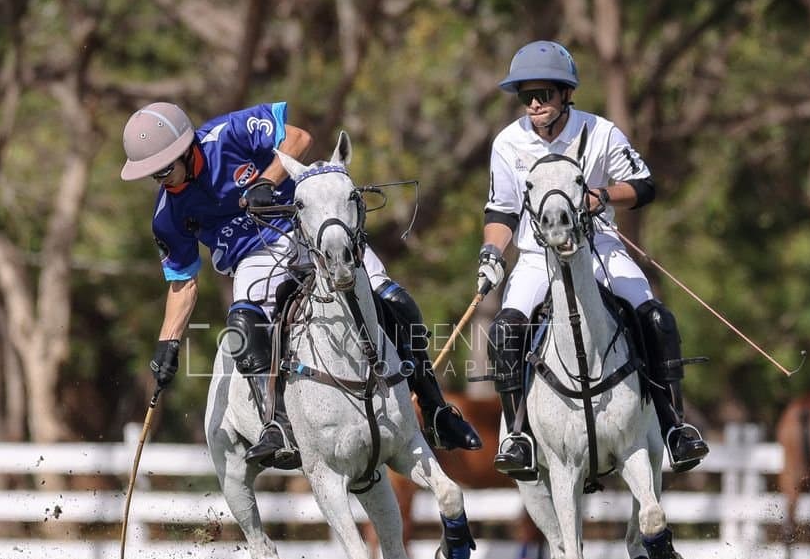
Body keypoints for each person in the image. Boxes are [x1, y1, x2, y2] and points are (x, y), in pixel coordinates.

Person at [121, 101, 480, 470]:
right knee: (242, 327)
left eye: (164, 170)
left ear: (185, 150)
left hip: (309, 228)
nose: (162, 181)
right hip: (253, 256)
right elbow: (183, 282)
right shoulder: (167, 214)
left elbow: (298, 138)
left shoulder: (227, 133)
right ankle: (277, 423)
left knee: (396, 300)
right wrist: (168, 345)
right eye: (153, 175)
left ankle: (437, 411)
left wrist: (266, 181)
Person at [475, 41, 709, 479]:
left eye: (544, 93)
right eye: (527, 95)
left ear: (565, 94)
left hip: (599, 247)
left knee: (656, 318)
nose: (535, 104)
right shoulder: (508, 143)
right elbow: (501, 211)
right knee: (506, 328)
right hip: (535, 256)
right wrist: (492, 252)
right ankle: (518, 435)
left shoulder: (599, 132)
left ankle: (675, 426)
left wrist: (600, 196)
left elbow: (643, 185)